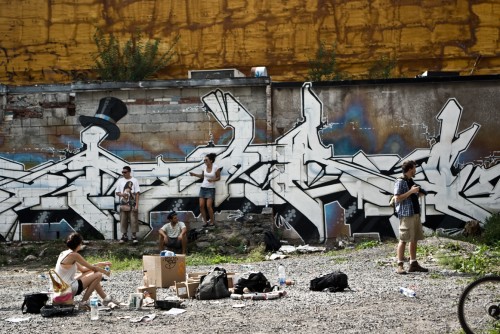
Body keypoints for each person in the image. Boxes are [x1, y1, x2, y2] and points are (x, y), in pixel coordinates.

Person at [55, 232, 116, 310]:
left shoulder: (65, 253)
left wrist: (100, 264)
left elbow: (84, 269)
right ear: (79, 244)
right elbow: (93, 268)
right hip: (67, 289)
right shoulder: (74, 255)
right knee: (98, 275)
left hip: (61, 288)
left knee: (93, 274)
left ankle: (106, 298)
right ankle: (83, 303)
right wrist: (105, 272)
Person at [394, 160, 429, 274]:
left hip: (414, 213)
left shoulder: (410, 180)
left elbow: (410, 196)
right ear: (409, 169)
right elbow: (397, 198)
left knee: (413, 239)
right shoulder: (400, 181)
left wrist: (418, 193)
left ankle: (413, 263)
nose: (415, 170)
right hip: (406, 214)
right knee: (403, 239)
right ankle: (400, 265)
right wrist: (411, 191)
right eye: (414, 168)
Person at [189, 153, 221, 227]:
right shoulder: (204, 167)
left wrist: (213, 180)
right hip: (203, 188)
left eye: (206, 160)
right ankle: (205, 222)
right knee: (201, 206)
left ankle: (212, 221)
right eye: (204, 160)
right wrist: (194, 174)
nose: (205, 161)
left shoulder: (216, 167)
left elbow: (219, 177)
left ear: (211, 160)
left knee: (208, 206)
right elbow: (203, 176)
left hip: (211, 189)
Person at [115, 166, 140, 243]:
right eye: (122, 172)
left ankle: (134, 236)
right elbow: (117, 192)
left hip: (132, 204)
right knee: (123, 220)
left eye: (125, 172)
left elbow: (137, 194)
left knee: (133, 220)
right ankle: (124, 235)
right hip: (123, 204)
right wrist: (122, 195)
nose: (123, 174)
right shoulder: (120, 181)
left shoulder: (134, 180)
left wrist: (137, 205)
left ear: (129, 172)